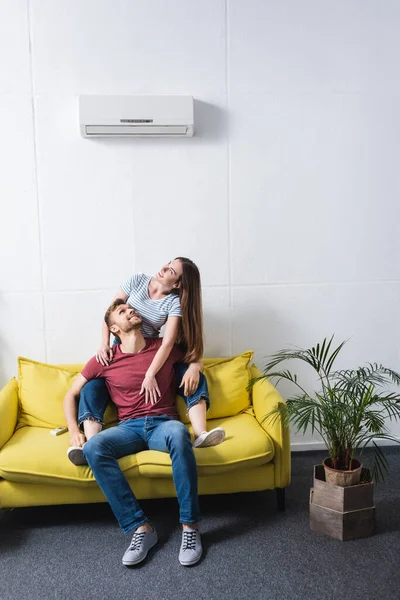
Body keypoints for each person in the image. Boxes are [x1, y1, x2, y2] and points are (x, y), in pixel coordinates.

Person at [63, 300, 203, 567]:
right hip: (129, 428)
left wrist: (196, 366)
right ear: (114, 328)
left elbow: (194, 357)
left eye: (131, 308)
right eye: (123, 311)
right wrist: (73, 430)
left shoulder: (164, 348)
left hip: (164, 423)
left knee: (178, 434)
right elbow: (70, 394)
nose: (131, 310)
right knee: (93, 448)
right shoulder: (105, 359)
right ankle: (140, 529)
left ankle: (190, 528)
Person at [67, 257, 224, 465]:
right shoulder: (137, 281)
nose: (163, 268)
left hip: (152, 352)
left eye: (171, 271)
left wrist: (192, 366)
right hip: (121, 347)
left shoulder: (172, 303)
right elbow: (110, 313)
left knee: (193, 374)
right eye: (167, 263)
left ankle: (200, 434)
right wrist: (104, 344)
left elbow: (169, 344)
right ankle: (92, 445)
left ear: (177, 284)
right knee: (91, 388)